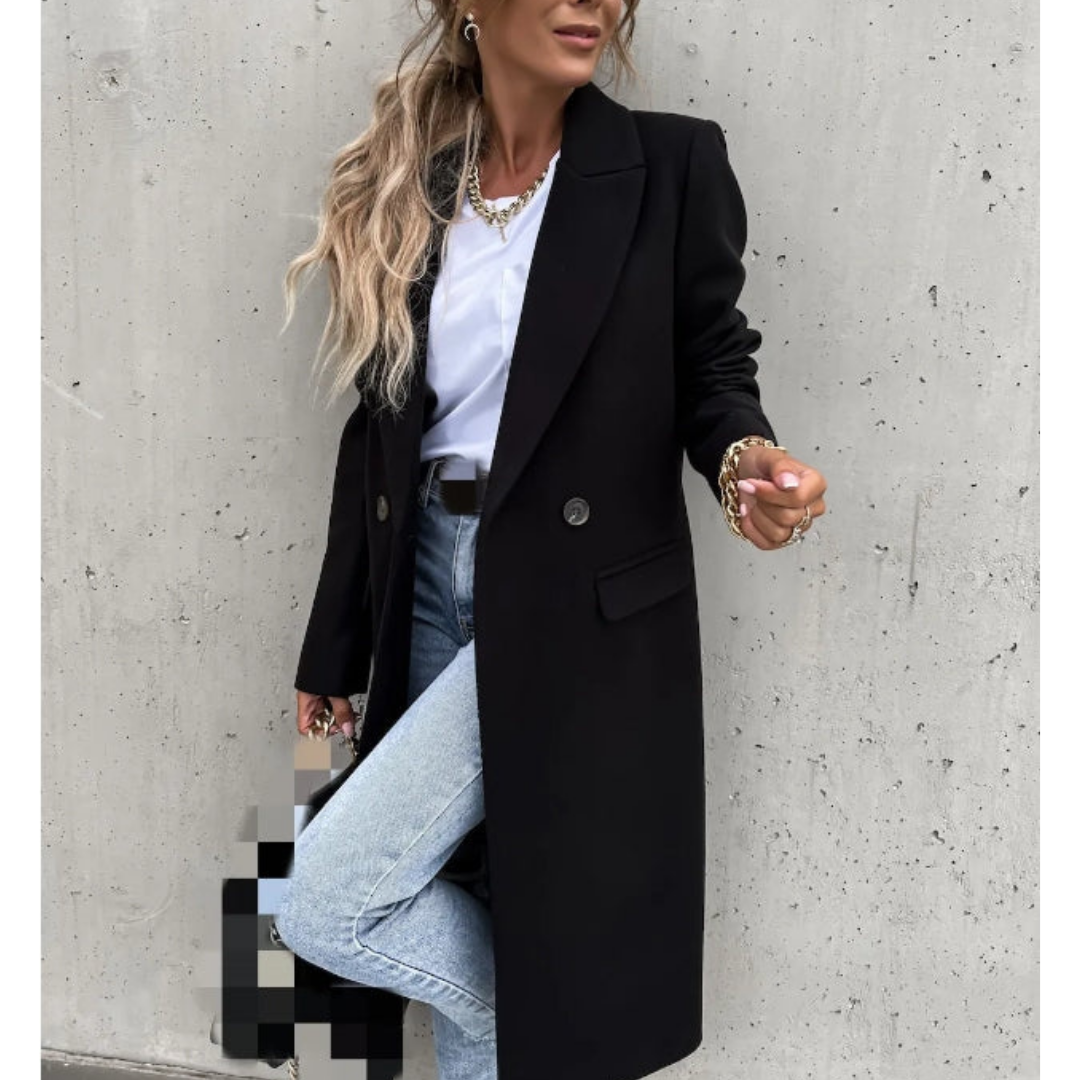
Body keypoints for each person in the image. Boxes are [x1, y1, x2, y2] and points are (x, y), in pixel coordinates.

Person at [274, 3, 828, 1079]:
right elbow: (377, 431)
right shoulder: (418, 182)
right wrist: (332, 644)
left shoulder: (670, 163)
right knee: (468, 896)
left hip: (573, 599)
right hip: (425, 577)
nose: (594, 3)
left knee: (332, 899)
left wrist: (744, 462)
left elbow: (713, 364)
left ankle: (546, 1029)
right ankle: (549, 1030)